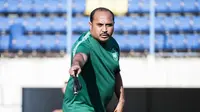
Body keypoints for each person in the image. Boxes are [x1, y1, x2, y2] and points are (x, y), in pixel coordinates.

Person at [62, 7, 125, 112]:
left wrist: (121, 101)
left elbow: (116, 73)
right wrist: (76, 64)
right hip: (78, 107)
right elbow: (80, 56)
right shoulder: (84, 43)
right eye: (100, 25)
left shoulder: (113, 45)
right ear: (90, 25)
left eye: (109, 25)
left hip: (99, 108)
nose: (104, 29)